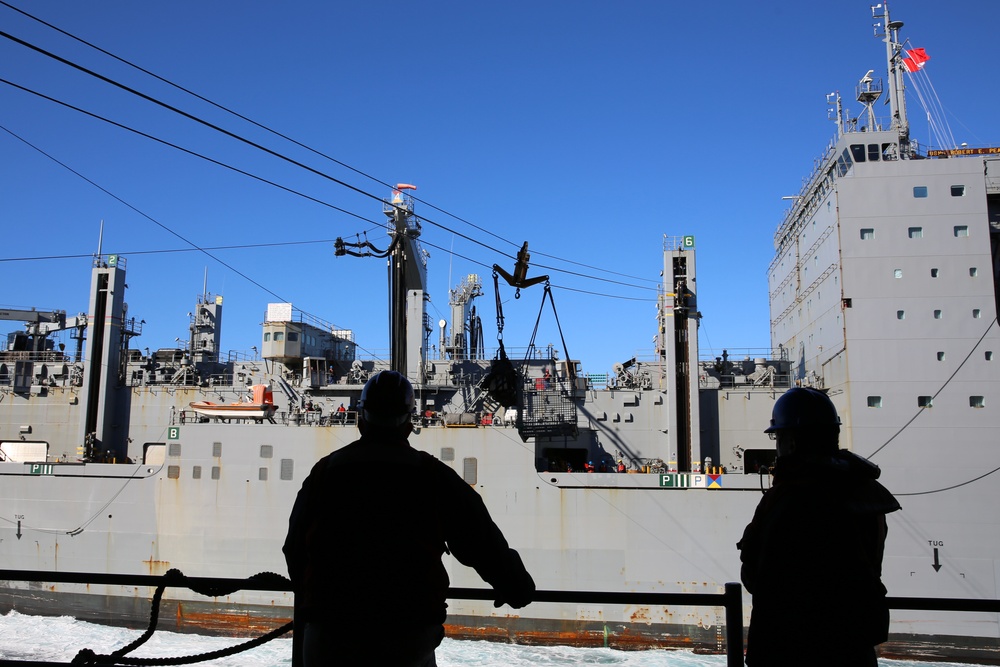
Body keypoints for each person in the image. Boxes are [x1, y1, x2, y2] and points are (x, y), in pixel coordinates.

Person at [283, 370, 535, 666]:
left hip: (330, 633)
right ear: (409, 422)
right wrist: (515, 586)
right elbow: (480, 541)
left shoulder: (325, 473)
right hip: (405, 636)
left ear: (361, 418)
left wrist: (316, 596)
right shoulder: (432, 475)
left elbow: (295, 548)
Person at [737, 387, 901, 667]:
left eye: (779, 437)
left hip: (792, 646)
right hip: (852, 646)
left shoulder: (791, 497)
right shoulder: (864, 490)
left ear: (790, 443)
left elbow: (758, 576)